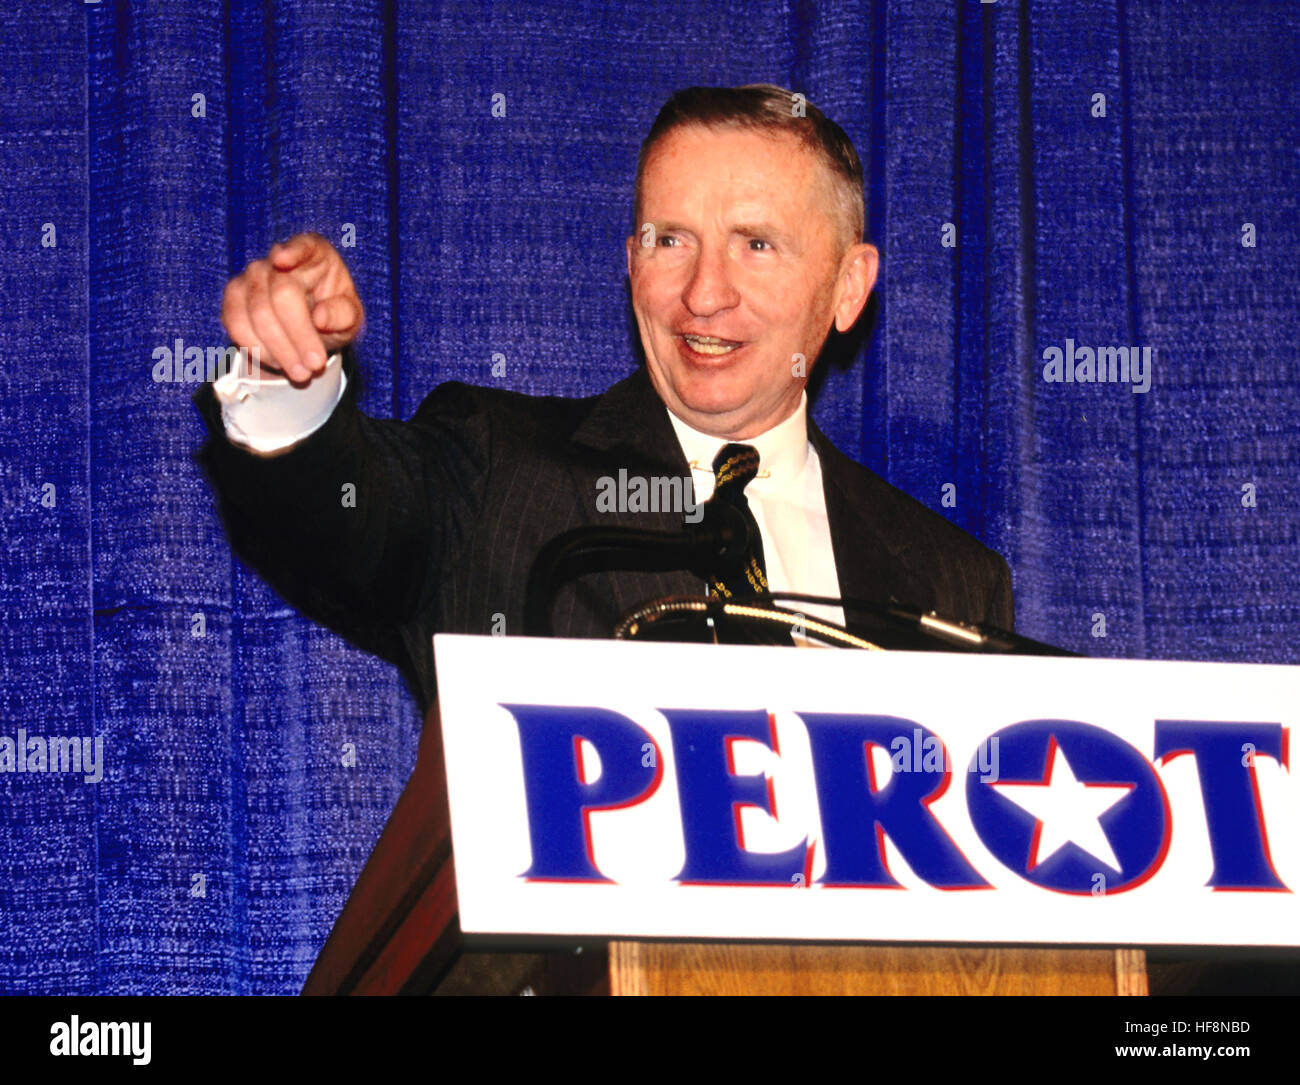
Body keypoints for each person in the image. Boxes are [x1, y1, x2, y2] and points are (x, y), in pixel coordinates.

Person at [194, 84, 1013, 712]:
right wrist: (287, 381)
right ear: (630, 262)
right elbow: (351, 519)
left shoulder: (951, 585)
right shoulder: (496, 474)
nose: (703, 295)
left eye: (755, 245)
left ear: (847, 286)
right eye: (671, 241)